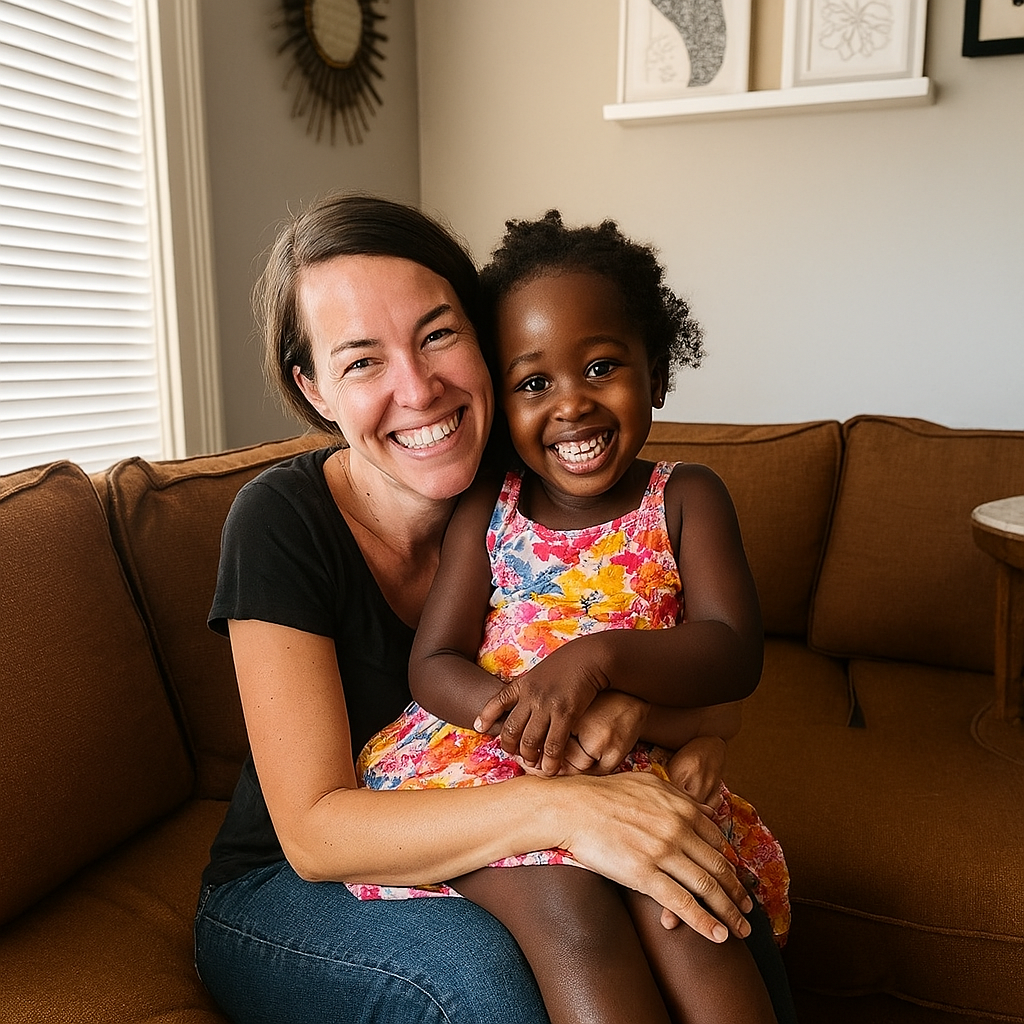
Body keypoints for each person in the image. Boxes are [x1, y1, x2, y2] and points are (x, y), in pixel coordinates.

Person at [193, 192, 796, 1024]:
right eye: (362, 360)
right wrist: (573, 808)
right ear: (315, 389)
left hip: (515, 813)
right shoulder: (278, 523)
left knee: (709, 910)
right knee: (494, 980)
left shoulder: (526, 482)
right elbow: (314, 833)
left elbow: (721, 680)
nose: (419, 388)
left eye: (437, 334)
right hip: (292, 884)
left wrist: (657, 719)